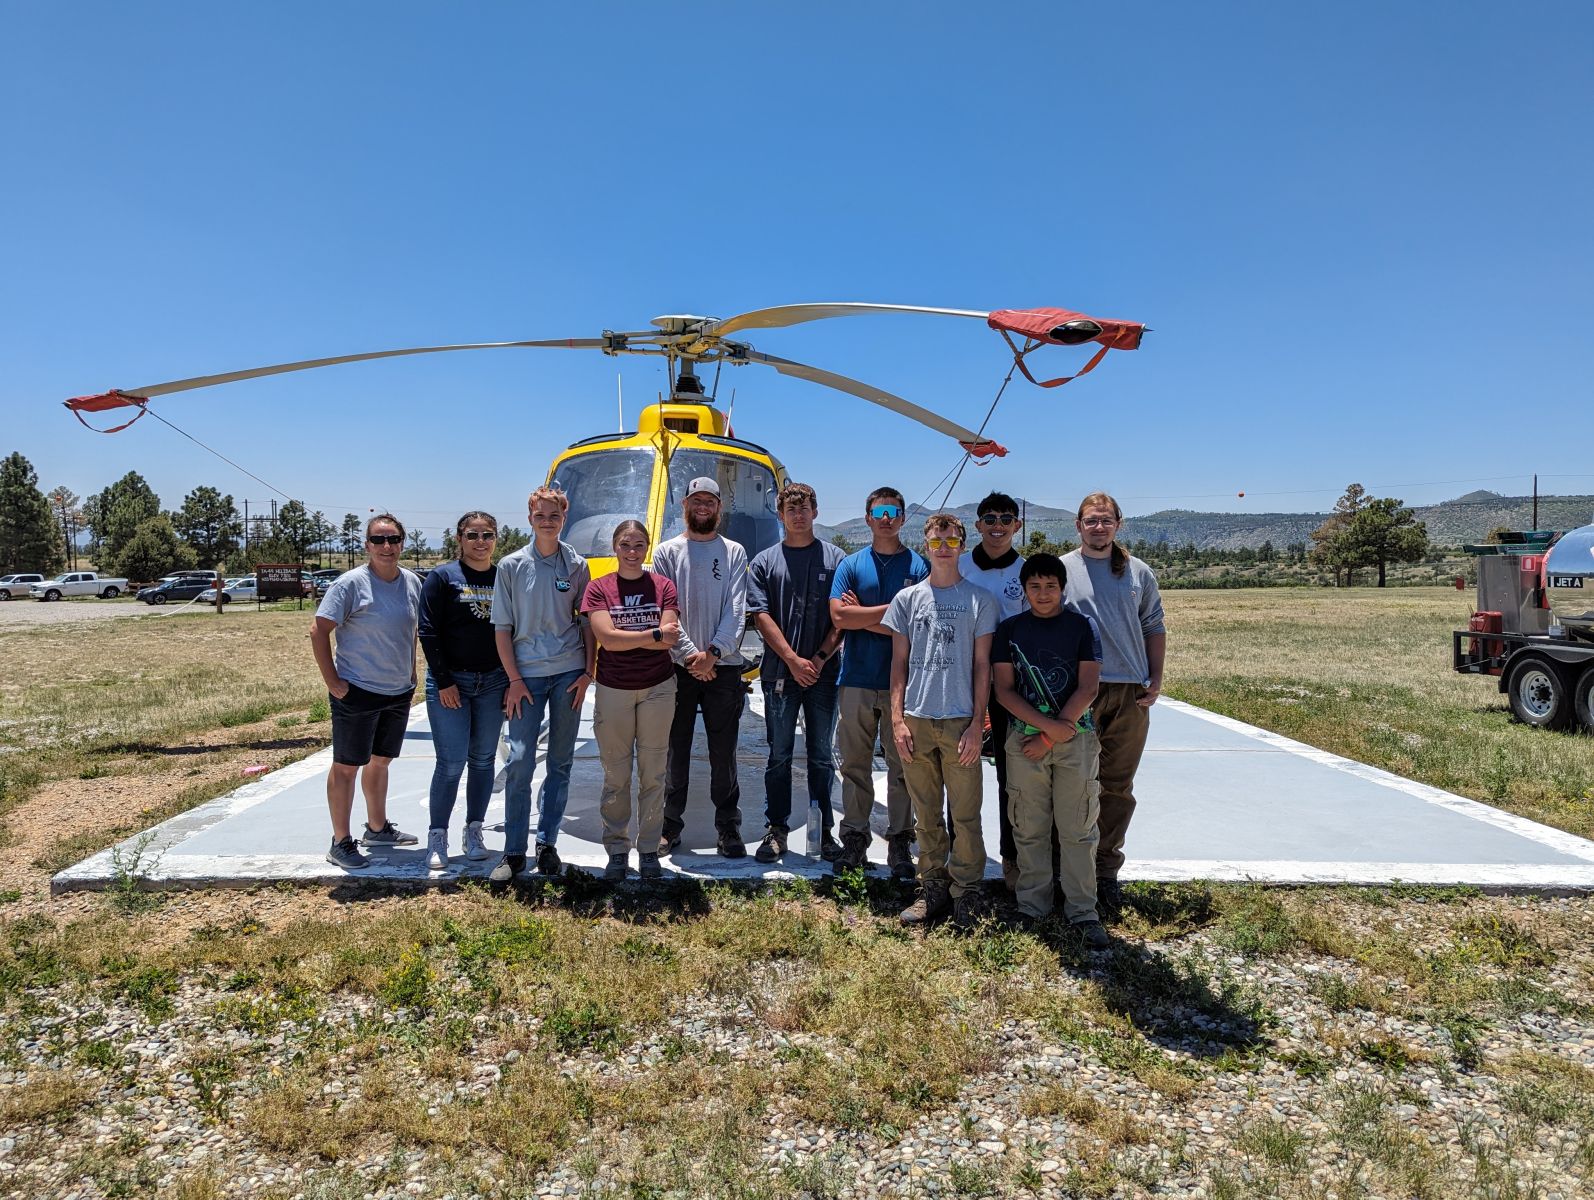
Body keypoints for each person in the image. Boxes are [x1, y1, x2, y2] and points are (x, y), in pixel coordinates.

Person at [992, 553, 1110, 948]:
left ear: (1062, 589)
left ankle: (1082, 910)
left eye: (1051, 586)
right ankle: (1033, 907)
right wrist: (1046, 730)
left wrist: (1051, 735)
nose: (1043, 594)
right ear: (1024, 590)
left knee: (1078, 827)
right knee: (1029, 826)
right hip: (1024, 741)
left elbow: (1088, 687)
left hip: (1074, 740)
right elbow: (1004, 691)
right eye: (1035, 587)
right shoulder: (1009, 630)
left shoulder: (1081, 627)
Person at [886, 512, 997, 925]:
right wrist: (897, 720)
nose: (944, 547)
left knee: (966, 814)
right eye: (937, 541)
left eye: (951, 541)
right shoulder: (907, 600)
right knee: (926, 814)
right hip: (916, 719)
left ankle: (966, 891)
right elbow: (898, 665)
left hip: (959, 721)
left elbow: (982, 667)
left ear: (962, 546)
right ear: (926, 546)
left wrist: (976, 724)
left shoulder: (980, 601)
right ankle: (932, 886)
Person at [1062, 491, 1166, 915]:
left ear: (1118, 524)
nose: (1098, 527)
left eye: (1106, 520)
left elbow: (1153, 627)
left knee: (1116, 788)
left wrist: (1155, 678)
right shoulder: (1064, 570)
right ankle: (1067, 870)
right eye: (1091, 521)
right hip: (1077, 693)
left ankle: (1105, 871)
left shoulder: (1139, 573)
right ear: (1079, 525)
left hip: (1128, 694)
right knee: (1071, 786)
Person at [491, 485, 594, 881]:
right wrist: (514, 679)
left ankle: (547, 842)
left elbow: (586, 623)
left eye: (555, 515)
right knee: (519, 760)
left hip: (569, 674)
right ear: (530, 517)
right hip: (527, 676)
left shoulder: (577, 565)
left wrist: (588, 672)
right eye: (540, 515)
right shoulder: (511, 566)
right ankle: (514, 849)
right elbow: (502, 628)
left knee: (561, 762)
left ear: (564, 518)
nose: (547, 522)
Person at [311, 513, 424, 870]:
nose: (386, 547)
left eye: (393, 540)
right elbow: (318, 631)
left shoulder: (411, 583)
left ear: (403, 543)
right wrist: (333, 682)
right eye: (379, 540)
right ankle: (341, 842)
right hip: (357, 691)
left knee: (381, 761)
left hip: (397, 691)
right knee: (347, 766)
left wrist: (410, 671)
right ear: (367, 545)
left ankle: (377, 828)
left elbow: (411, 631)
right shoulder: (350, 584)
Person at [828, 487, 928, 878]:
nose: (886, 518)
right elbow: (838, 618)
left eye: (894, 511)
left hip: (903, 684)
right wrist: (893, 614)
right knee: (854, 765)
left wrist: (863, 615)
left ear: (903, 518)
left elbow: (918, 625)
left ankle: (901, 839)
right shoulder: (850, 565)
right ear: (868, 518)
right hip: (855, 678)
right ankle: (854, 838)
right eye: (879, 511)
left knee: (903, 764)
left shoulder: (919, 566)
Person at [747, 482, 845, 863]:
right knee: (779, 755)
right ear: (781, 515)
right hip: (779, 676)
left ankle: (823, 833)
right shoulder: (764, 562)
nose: (799, 515)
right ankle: (777, 830)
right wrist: (792, 659)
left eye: (805, 508)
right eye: (791, 509)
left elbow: (841, 617)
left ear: (815, 512)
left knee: (822, 755)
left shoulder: (838, 560)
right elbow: (761, 616)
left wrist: (818, 659)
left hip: (824, 674)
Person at [652, 477, 750, 858]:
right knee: (674, 750)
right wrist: (692, 655)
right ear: (685, 506)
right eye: (696, 500)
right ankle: (669, 827)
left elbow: (737, 609)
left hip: (722, 667)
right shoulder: (666, 552)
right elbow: (667, 610)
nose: (703, 506)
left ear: (719, 508)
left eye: (710, 500)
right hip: (679, 667)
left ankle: (728, 828)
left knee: (723, 753)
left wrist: (713, 653)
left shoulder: (734, 552)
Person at [580, 520, 681, 881]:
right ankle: (618, 849)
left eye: (639, 545)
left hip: (657, 688)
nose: (633, 551)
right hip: (614, 689)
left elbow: (670, 640)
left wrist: (634, 636)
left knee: (653, 774)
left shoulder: (664, 586)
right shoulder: (598, 588)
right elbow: (607, 638)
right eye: (626, 544)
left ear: (648, 547)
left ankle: (650, 850)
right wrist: (651, 633)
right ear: (615, 547)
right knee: (616, 774)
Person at [417, 511, 507, 872]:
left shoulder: (505, 577)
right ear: (460, 539)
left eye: (487, 535)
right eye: (473, 535)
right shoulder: (442, 577)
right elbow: (428, 631)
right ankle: (438, 836)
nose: (480, 541)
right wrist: (444, 681)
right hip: (451, 682)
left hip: (493, 682)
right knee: (451, 762)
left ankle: (474, 832)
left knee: (484, 760)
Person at [959, 491, 1027, 890]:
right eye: (989, 518)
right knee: (960, 772)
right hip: (962, 682)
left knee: (1011, 774)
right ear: (978, 524)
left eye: (1005, 518)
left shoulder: (1028, 571)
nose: (997, 525)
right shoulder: (961, 566)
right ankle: (961, 853)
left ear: (1016, 525)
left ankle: (1012, 857)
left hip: (1012, 686)